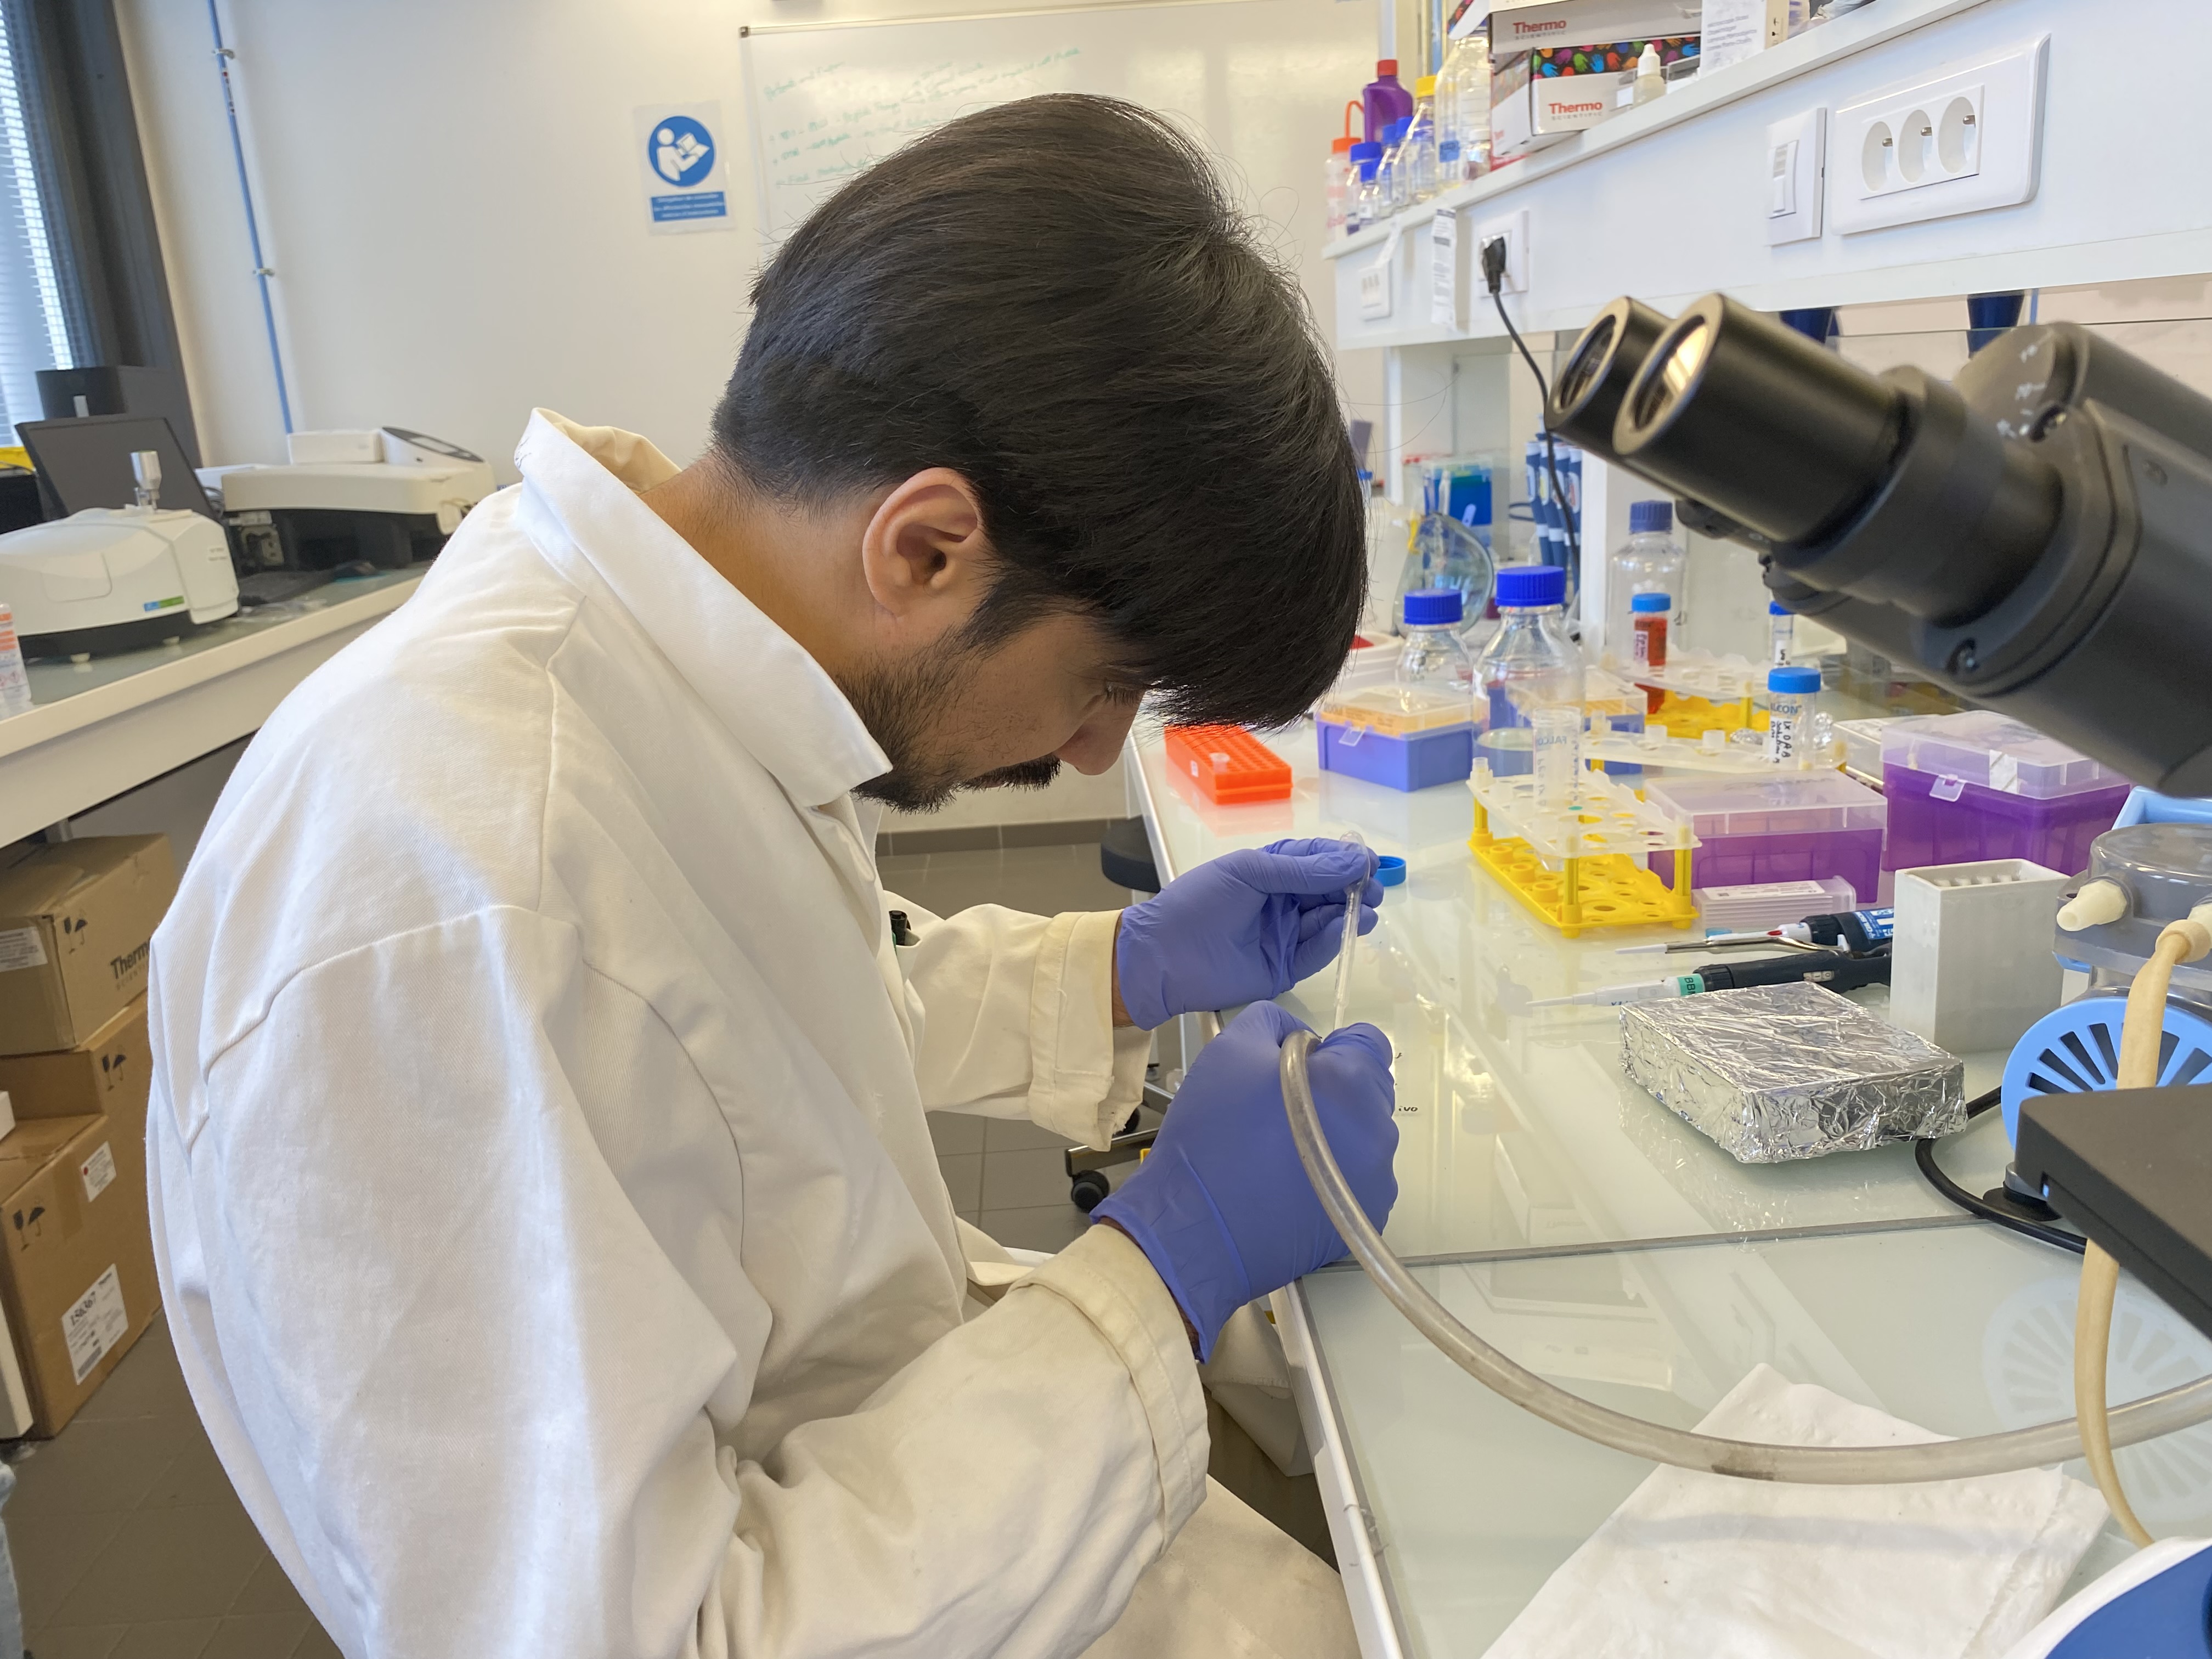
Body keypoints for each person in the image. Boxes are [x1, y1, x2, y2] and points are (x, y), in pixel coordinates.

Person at [145, 95, 1399, 1659]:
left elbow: (730, 1037)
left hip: (953, 1501)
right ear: (926, 549)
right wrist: (1160, 1268)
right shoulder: (449, 895)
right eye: (1106, 681)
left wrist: (1119, 969)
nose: (1096, 753)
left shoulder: (653, 675)